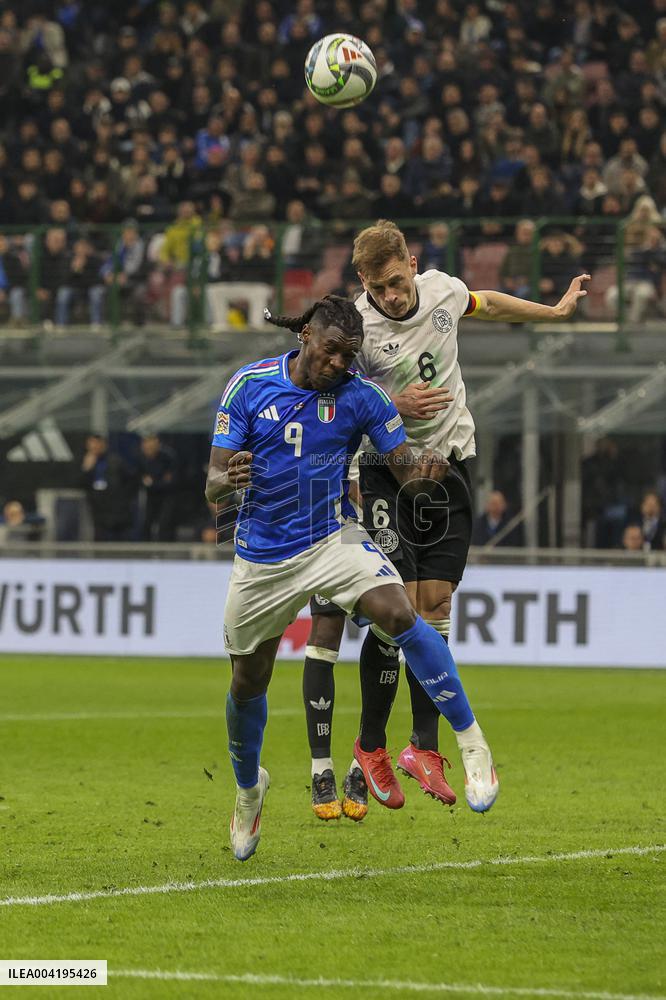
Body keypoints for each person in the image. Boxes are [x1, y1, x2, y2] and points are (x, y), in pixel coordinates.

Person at [300, 220, 589, 822]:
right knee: (395, 607)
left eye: (399, 281)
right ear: (364, 282)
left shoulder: (442, 291)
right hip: (386, 469)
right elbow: (337, 400)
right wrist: (391, 405)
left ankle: (421, 748)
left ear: (413, 261)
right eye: (381, 287)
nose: (395, 295)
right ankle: (371, 746)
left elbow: (487, 302)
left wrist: (555, 312)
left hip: (451, 463)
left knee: (436, 603)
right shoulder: (358, 328)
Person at [206, 295, 499, 861]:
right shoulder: (248, 385)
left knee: (398, 613)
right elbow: (212, 483)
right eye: (333, 351)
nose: (340, 363)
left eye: (351, 355)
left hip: (333, 538)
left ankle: (472, 743)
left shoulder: (361, 397)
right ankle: (248, 792)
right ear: (307, 337)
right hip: (262, 554)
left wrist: (425, 473)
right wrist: (228, 479)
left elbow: (404, 472)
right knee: (247, 681)